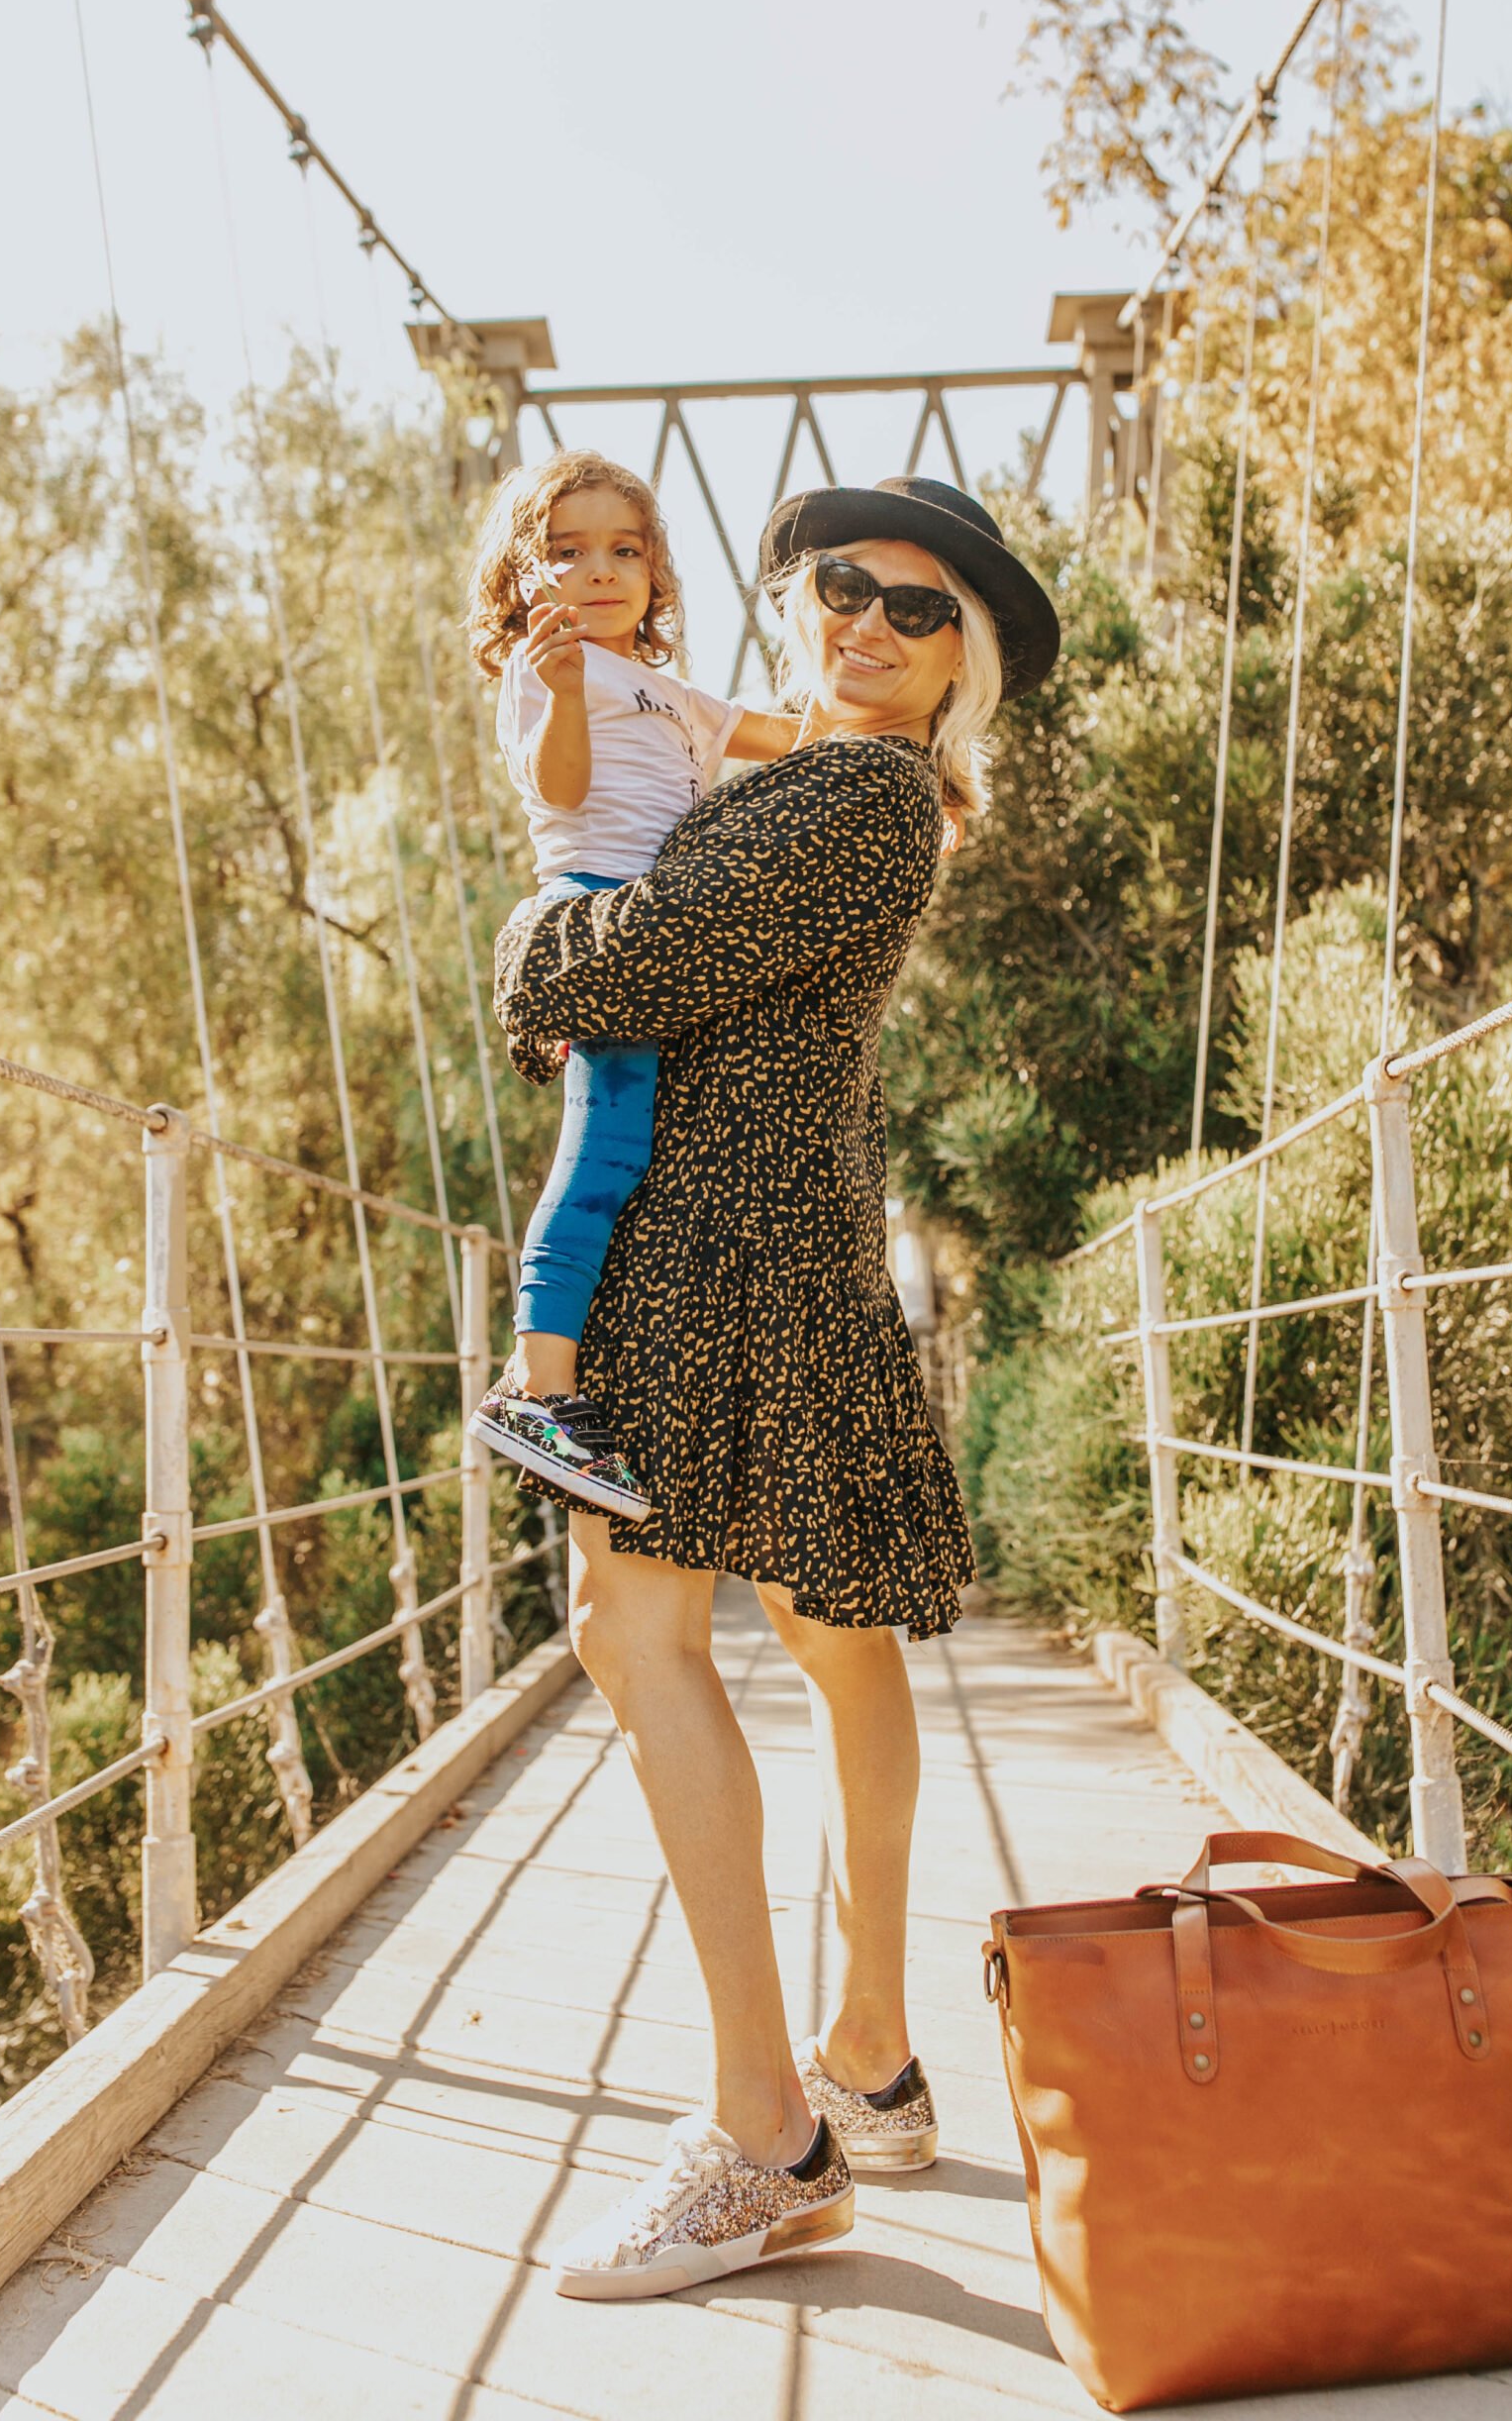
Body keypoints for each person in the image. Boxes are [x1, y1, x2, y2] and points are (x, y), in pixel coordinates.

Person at [492, 472, 1059, 2300]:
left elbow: (628, 960)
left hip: (714, 1246)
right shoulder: (830, 785)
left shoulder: (846, 794)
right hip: (790, 1229)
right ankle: (869, 2059)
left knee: (625, 1625)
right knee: (829, 1634)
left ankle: (765, 2135)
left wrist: (526, 946)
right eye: (840, 589)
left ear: (959, 659)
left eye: (915, 613)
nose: (864, 626)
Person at [464, 450, 794, 1522]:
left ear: (655, 572)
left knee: (634, 1146)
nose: (600, 571)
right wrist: (561, 695)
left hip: (665, 926)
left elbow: (785, 740)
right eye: (566, 553)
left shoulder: (665, 687)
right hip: (599, 918)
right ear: (525, 579)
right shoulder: (549, 671)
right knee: (602, 1146)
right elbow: (559, 791)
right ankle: (537, 1389)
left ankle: (554, 1374)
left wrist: (914, 742)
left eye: (625, 549)